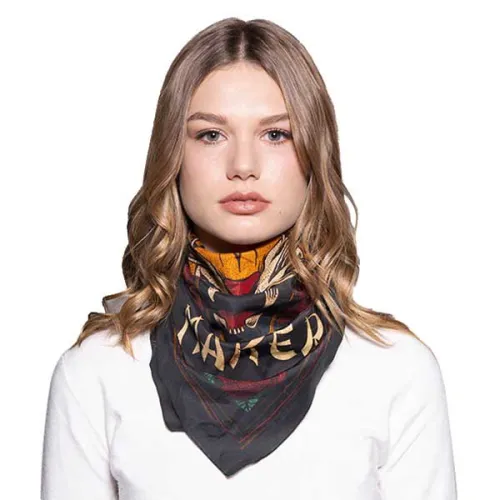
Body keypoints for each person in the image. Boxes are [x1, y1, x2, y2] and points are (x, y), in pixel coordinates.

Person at [40, 17, 457, 500]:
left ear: (314, 153)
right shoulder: (98, 370)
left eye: (276, 134)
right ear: (172, 155)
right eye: (210, 135)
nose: (243, 166)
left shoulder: (397, 370)